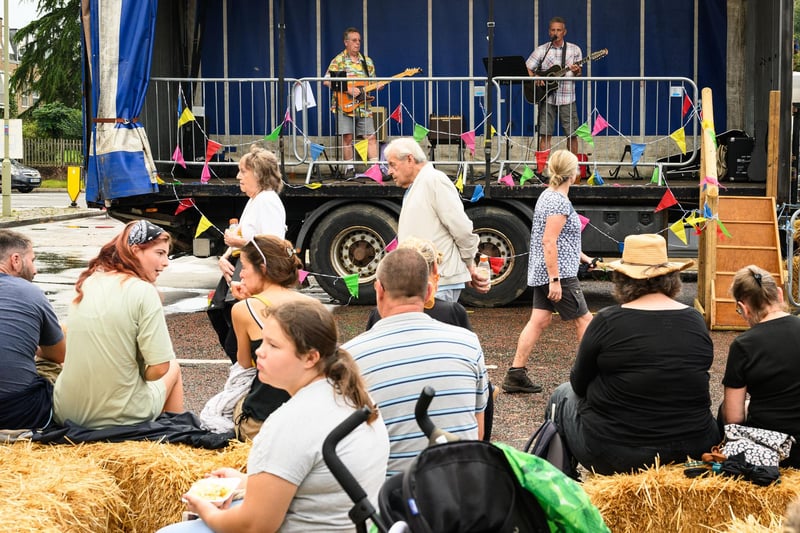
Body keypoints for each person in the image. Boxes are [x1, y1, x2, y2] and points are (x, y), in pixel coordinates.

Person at [159, 299, 389, 532]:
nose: (259, 351)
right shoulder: (356, 397)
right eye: (263, 341)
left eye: (273, 345)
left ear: (311, 358)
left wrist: (203, 508)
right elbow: (317, 485)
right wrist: (248, 482)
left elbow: (254, 526)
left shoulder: (289, 422)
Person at [547, 233, 719, 475]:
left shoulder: (607, 320)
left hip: (617, 453)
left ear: (622, 279)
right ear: (671, 277)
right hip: (692, 449)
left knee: (561, 395)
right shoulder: (694, 319)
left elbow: (579, 383)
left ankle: (562, 487)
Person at [344, 247, 489, 476]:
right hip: (463, 487)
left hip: (390, 497)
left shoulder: (350, 356)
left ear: (379, 289)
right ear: (430, 291)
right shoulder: (468, 343)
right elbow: (478, 430)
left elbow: (349, 445)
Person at [53, 220, 185, 429]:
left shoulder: (89, 282)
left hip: (67, 411)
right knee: (173, 368)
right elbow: (160, 369)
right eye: (160, 253)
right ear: (135, 251)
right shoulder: (143, 291)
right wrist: (140, 375)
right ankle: (176, 435)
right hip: (123, 415)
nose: (166, 262)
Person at [201, 235, 315, 440]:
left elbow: (244, 363)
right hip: (308, 417)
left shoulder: (243, 309)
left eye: (243, 267)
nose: (240, 274)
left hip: (262, 421)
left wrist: (246, 302)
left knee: (216, 411)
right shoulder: (313, 305)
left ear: (262, 268)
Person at [503, 150, 594, 394]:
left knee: (539, 320)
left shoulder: (548, 195)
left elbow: (563, 240)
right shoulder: (559, 202)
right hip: (559, 273)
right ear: (572, 174)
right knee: (585, 321)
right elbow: (549, 241)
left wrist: (585, 258)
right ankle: (592, 376)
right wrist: (555, 280)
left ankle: (516, 375)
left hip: (547, 270)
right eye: (577, 168)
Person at [385, 137, 490, 303]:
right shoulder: (422, 182)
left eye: (392, 164)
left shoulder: (434, 180)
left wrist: (469, 264)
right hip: (429, 282)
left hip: (439, 283)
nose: (389, 171)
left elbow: (461, 228)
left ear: (410, 159)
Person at [210, 144, 287, 360]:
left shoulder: (268, 200)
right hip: (241, 266)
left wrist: (238, 242)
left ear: (258, 173)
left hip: (255, 271)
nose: (238, 176)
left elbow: (273, 244)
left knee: (236, 323)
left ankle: (248, 367)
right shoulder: (255, 199)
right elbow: (244, 236)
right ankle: (243, 365)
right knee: (220, 313)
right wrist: (225, 257)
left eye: (243, 171)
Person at [720, 265, 800, 468]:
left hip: (773, 447)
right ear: (780, 294)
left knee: (723, 409)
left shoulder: (744, 345)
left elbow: (733, 417)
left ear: (744, 307)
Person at [0, 229, 66, 430]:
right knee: (63, 332)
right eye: (33, 260)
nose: (35, 269)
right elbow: (58, 355)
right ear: (16, 260)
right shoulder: (30, 291)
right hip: (19, 413)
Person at [324, 26, 380, 172]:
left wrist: (378, 85)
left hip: (363, 106)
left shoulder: (366, 61)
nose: (358, 43)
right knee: (347, 138)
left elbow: (373, 82)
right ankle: (349, 169)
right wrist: (347, 89)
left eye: (359, 40)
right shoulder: (339, 60)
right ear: (346, 42)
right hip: (344, 105)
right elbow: (326, 80)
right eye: (354, 40)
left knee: (371, 137)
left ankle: (376, 170)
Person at [526, 16, 583, 153]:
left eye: (559, 30)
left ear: (565, 32)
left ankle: (572, 170)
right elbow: (527, 67)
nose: (556, 33)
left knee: (572, 135)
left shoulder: (574, 50)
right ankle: (544, 170)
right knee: (545, 134)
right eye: (553, 30)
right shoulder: (542, 50)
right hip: (547, 97)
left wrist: (577, 71)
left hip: (568, 97)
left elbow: (579, 73)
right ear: (549, 32)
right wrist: (535, 77)